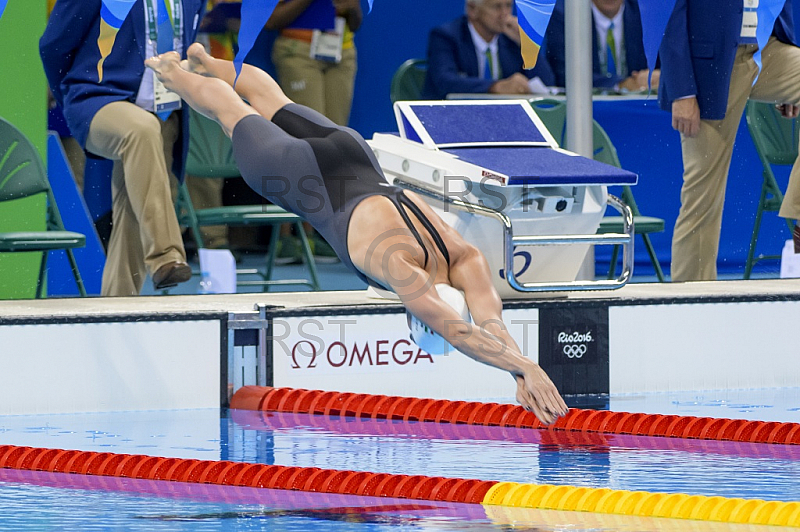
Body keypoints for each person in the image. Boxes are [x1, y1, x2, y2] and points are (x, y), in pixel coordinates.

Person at [145, 44, 568, 425]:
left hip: (353, 154)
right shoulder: (398, 265)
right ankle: (172, 72)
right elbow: (461, 331)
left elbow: (490, 322)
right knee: (232, 114)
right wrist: (521, 368)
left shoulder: (462, 254)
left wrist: (523, 366)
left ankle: (207, 60)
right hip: (302, 175)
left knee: (275, 101)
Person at [39, 0, 206, 296]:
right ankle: (166, 255)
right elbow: (54, 46)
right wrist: (73, 99)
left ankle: (116, 306)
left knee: (135, 204)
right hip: (98, 99)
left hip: (166, 110)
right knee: (141, 130)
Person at [659, 0, 800, 281]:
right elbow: (661, 11)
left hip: (766, 49)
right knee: (702, 196)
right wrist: (681, 89)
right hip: (708, 66)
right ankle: (691, 303)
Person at [265, 0, 363, 264]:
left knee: (335, 145)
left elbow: (356, 22)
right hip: (298, 51)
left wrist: (352, 8)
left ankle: (321, 231)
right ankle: (287, 234)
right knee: (303, 142)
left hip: (340, 52)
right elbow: (271, 20)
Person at [422, 0, 556, 100]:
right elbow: (445, 81)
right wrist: (494, 87)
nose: (505, 14)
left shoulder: (511, 38)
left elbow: (547, 85)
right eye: (497, 7)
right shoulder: (446, 36)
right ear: (472, 9)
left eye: (508, 6)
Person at [544, 0, 658, 91]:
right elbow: (565, 73)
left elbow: (664, 62)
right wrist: (621, 84)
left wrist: (658, 76)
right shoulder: (565, 15)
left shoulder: (647, 15)